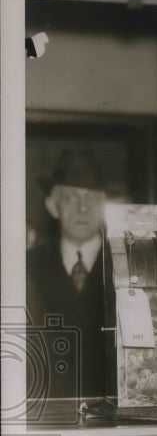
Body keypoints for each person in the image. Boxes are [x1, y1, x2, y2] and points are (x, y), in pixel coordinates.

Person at [27, 149, 109, 399]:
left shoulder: (128, 264)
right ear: (54, 206)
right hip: (48, 410)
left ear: (104, 205)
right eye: (72, 197)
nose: (83, 208)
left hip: (114, 415)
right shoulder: (27, 266)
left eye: (92, 198)